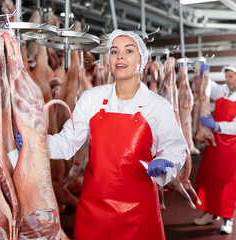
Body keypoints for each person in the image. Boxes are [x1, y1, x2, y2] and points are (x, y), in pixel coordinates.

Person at [16, 29, 187, 240]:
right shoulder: (92, 98)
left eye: (129, 51)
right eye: (114, 51)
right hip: (94, 208)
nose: (120, 57)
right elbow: (68, 142)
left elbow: (176, 148)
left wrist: (165, 160)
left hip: (139, 211)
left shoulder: (157, 106)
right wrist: (35, 143)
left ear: (141, 59)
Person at [193, 64, 236, 234]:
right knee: (210, 177)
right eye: (226, 76)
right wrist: (204, 72)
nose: (226, 80)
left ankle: (228, 218)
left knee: (227, 181)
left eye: (230, 77)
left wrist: (216, 125)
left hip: (232, 145)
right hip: (214, 142)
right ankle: (210, 213)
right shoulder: (223, 89)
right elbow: (210, 86)